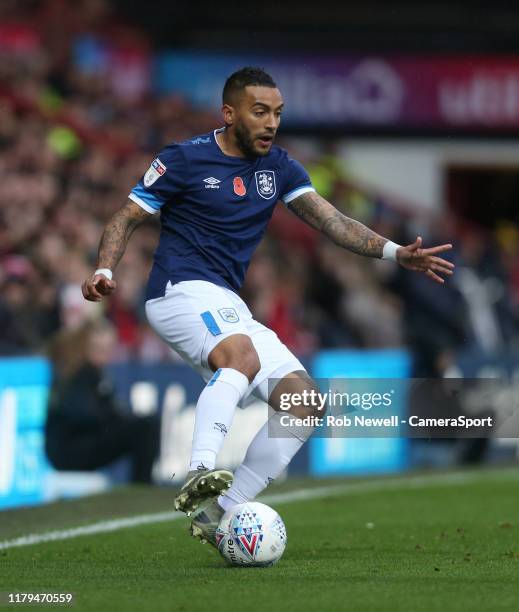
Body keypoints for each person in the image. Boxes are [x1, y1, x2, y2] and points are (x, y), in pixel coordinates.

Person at [82, 67, 454, 546]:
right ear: (229, 112)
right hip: (177, 291)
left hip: (226, 300)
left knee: (305, 403)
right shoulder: (184, 159)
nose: (271, 123)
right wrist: (105, 269)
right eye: (260, 112)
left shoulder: (278, 168)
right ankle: (199, 470)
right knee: (241, 355)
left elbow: (332, 221)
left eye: (277, 113)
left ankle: (222, 512)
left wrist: (394, 251)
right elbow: (126, 216)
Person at [45, 319, 160, 484]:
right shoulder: (78, 373)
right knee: (144, 427)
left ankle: (142, 484)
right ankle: (142, 486)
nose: (105, 354)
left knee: (145, 424)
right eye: (99, 349)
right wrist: (115, 418)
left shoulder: (93, 373)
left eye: (108, 349)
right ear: (86, 347)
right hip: (69, 450)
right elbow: (84, 414)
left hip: (76, 445)